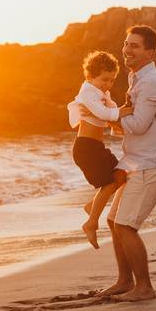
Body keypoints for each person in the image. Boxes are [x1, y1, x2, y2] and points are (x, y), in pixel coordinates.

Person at [93, 25, 156, 302]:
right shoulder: (138, 78)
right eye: (126, 44)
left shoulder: (152, 82)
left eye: (134, 46)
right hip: (136, 162)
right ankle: (124, 281)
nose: (127, 50)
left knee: (125, 226)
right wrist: (117, 118)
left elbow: (139, 124)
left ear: (150, 52)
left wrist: (111, 117)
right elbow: (135, 123)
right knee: (113, 221)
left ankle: (144, 287)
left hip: (152, 164)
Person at [68, 51, 131, 249]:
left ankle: (92, 207)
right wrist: (121, 112)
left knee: (121, 176)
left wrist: (121, 112)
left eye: (112, 80)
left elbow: (111, 111)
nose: (108, 84)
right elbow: (106, 113)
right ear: (90, 76)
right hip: (86, 148)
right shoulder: (88, 91)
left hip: (96, 147)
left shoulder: (101, 93)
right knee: (111, 181)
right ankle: (91, 222)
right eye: (104, 79)